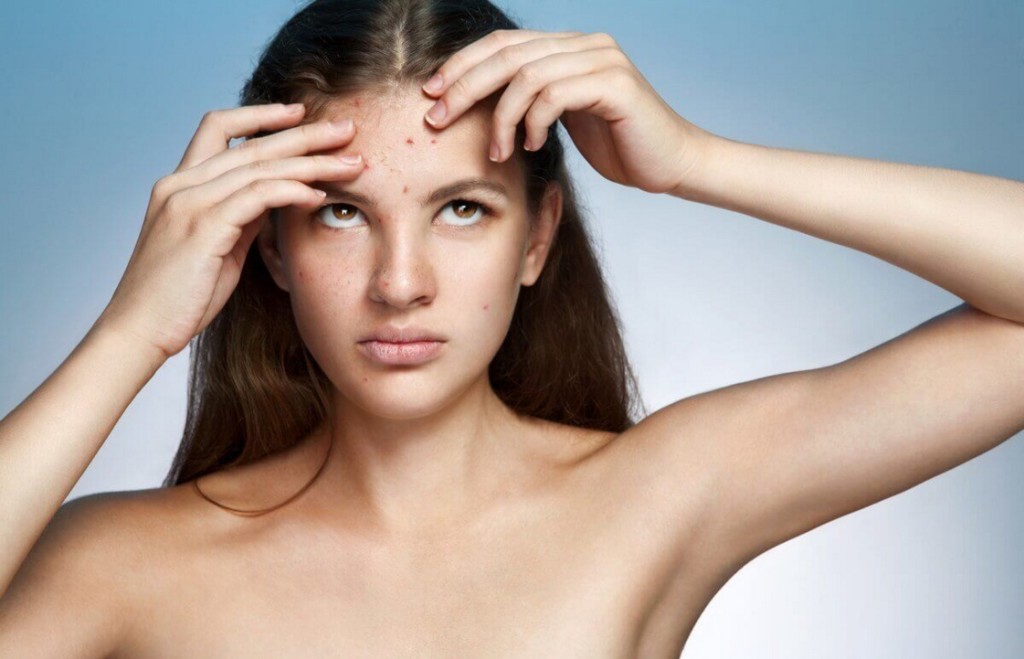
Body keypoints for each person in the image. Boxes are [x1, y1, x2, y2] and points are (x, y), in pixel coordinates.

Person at [1, 0, 1022, 656]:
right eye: (341, 214)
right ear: (266, 248)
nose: (401, 284)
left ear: (537, 239)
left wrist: (695, 161)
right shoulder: (118, 563)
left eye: (462, 209)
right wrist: (132, 332)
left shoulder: (655, 496)